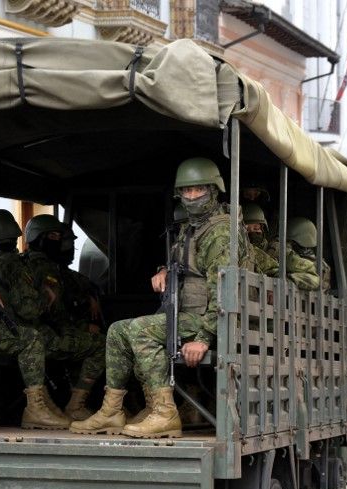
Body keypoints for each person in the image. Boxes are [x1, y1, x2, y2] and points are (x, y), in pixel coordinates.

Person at [71, 157, 248, 438]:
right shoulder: (192, 229)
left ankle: (164, 412)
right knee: (117, 331)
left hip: (210, 321)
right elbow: (189, 266)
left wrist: (203, 336)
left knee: (141, 330)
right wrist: (164, 270)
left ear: (213, 190)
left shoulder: (221, 232)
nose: (191, 197)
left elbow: (225, 291)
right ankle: (112, 411)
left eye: (198, 190)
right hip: (187, 316)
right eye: (186, 191)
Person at [0, 208, 71, 429]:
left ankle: (43, 404)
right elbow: (29, 310)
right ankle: (39, 408)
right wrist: (46, 301)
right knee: (32, 338)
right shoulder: (12, 264)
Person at [22, 214, 107, 420]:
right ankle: (76, 405)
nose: (59, 242)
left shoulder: (28, 263)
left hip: (38, 334)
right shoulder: (44, 268)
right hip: (44, 337)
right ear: (38, 238)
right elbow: (54, 312)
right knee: (102, 345)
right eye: (53, 236)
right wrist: (83, 325)